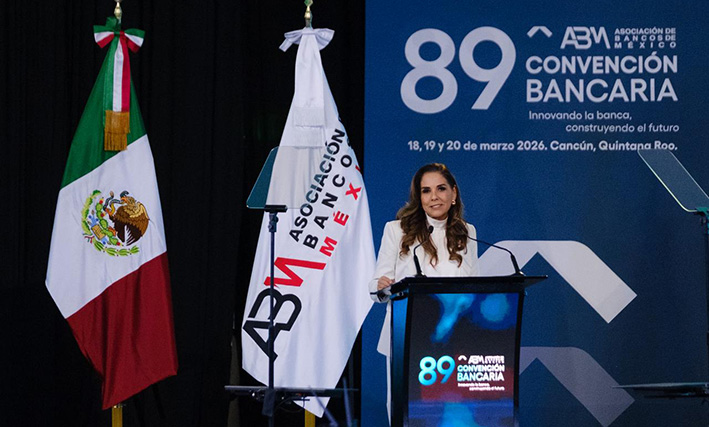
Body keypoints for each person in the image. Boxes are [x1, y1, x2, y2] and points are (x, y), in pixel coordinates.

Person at [369, 162, 480, 420]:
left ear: (453, 193)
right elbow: (376, 286)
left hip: (453, 335)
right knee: (406, 409)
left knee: (449, 409)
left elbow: (473, 285)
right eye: (426, 191)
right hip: (406, 332)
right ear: (419, 198)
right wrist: (381, 287)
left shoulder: (467, 232)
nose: (434, 197)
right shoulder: (397, 230)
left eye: (441, 189)